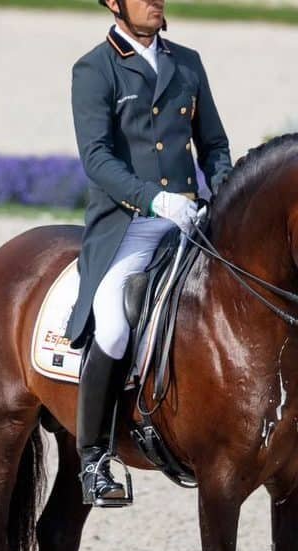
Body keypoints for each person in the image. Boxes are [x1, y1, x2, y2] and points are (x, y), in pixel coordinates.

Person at [66, 0, 233, 506]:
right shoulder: (95, 69)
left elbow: (214, 145)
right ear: (114, 4)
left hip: (190, 219)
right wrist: (154, 200)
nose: (155, 0)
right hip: (130, 226)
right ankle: (94, 459)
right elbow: (97, 158)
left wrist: (225, 195)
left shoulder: (187, 62)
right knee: (115, 327)